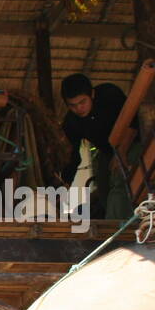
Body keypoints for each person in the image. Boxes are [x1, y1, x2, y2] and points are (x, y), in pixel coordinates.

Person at [60, 72, 133, 219]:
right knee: (103, 186)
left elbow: (133, 121)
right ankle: (110, 221)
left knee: (119, 182)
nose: (79, 109)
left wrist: (122, 152)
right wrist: (66, 182)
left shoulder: (109, 94)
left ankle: (119, 226)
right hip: (107, 152)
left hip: (132, 142)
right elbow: (74, 156)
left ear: (92, 94)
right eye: (73, 106)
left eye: (82, 102)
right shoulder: (71, 122)